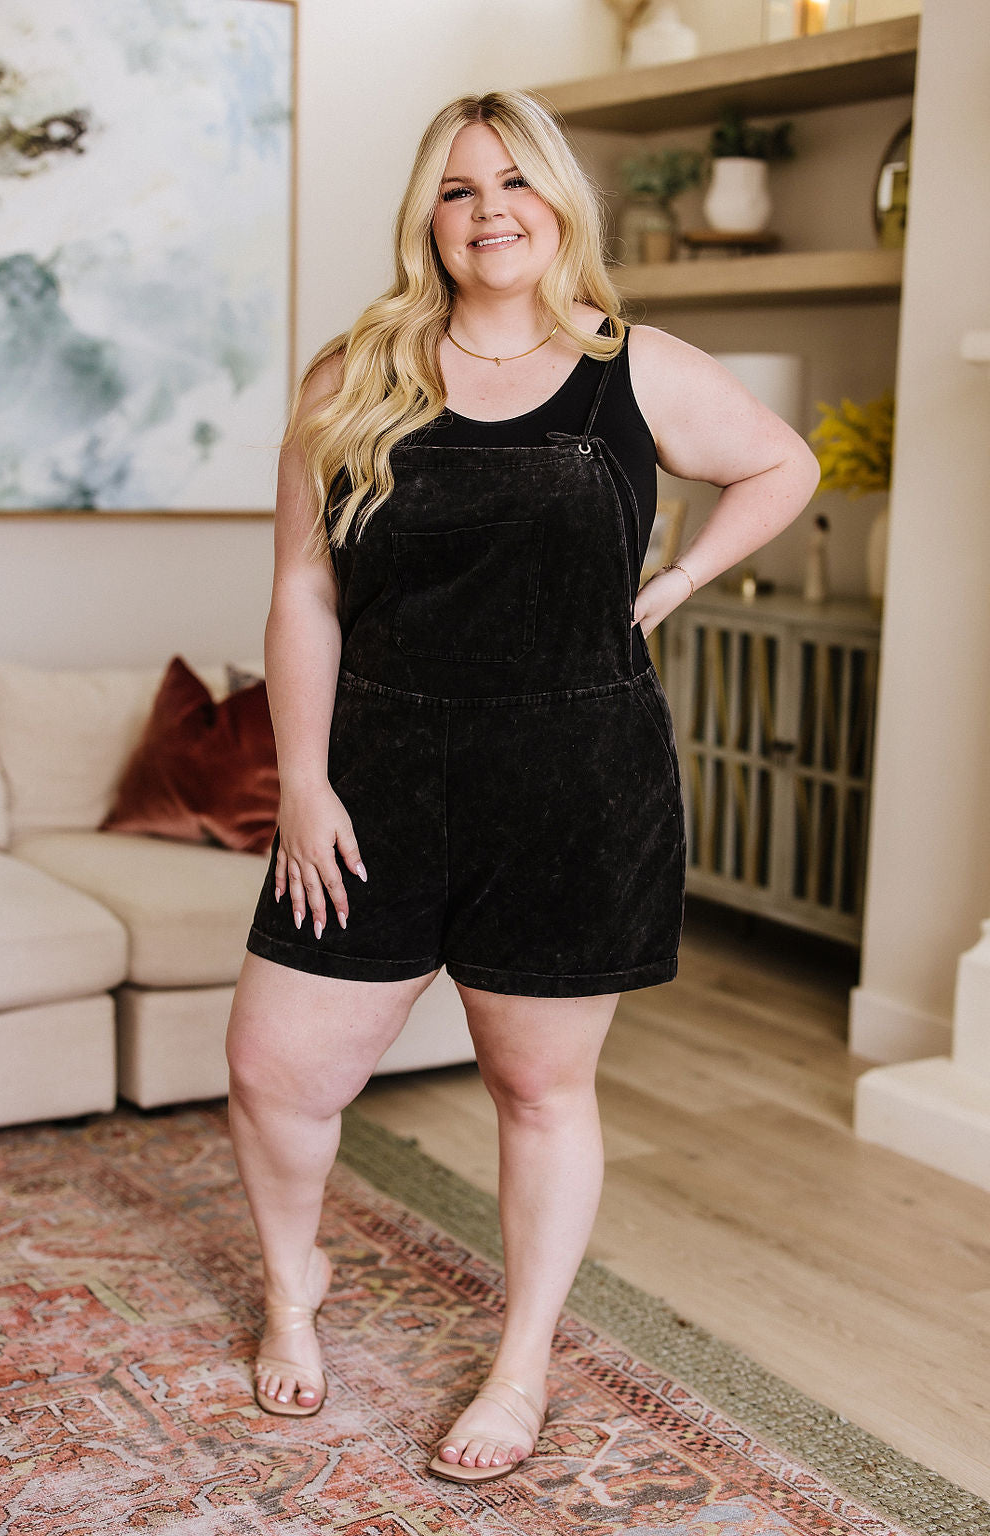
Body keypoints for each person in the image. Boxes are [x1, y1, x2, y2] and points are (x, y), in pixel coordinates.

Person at [224, 88, 820, 1486]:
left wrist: (677, 578)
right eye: (457, 186)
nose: (489, 209)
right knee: (274, 1070)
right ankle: (293, 1287)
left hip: (574, 784)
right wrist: (300, 780)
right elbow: (304, 597)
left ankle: (522, 1361)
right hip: (376, 777)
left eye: (515, 182)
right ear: (425, 216)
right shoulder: (356, 373)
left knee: (540, 1092)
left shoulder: (633, 368)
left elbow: (780, 463)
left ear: (560, 203)